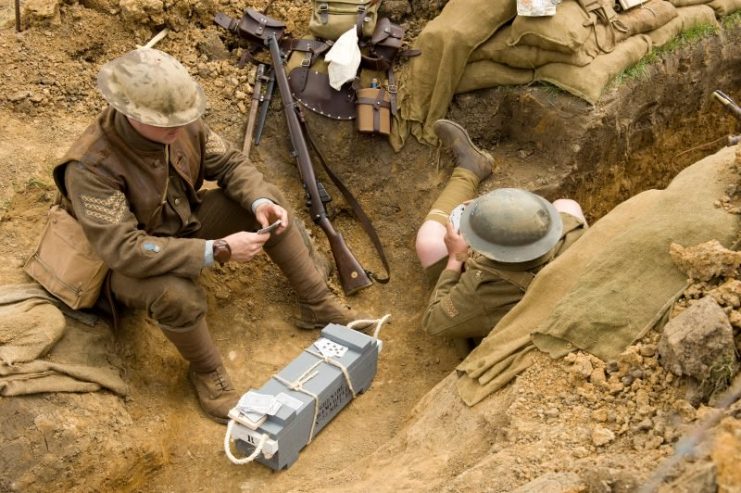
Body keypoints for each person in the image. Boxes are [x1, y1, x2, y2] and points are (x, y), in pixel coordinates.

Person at [51, 48, 368, 423]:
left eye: (183, 118)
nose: (177, 128)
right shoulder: (90, 167)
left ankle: (316, 304)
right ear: (129, 112)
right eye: (165, 122)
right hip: (125, 266)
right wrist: (216, 250)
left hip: (181, 225)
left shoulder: (179, 124)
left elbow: (230, 163)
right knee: (176, 296)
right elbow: (124, 250)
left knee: (270, 205)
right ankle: (206, 372)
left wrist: (259, 201)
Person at [415, 119, 587, 352]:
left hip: (508, 322)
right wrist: (493, 211)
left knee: (428, 243)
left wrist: (456, 259)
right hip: (554, 291)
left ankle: (468, 172)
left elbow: (433, 322)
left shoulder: (482, 291)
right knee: (567, 204)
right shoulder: (571, 233)